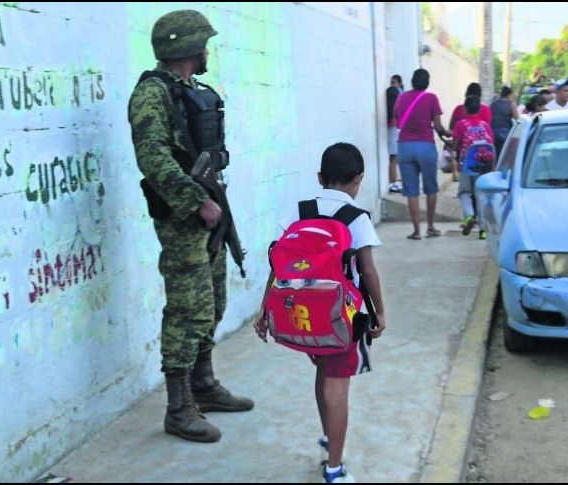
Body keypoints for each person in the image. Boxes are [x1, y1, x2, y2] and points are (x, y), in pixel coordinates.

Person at [128, 9, 253, 444]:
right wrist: (195, 199)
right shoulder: (151, 94)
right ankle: (179, 409)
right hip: (183, 218)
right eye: (203, 43)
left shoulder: (191, 90)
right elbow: (154, 157)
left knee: (213, 302)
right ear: (187, 47)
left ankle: (203, 386)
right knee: (186, 310)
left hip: (210, 211)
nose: (207, 51)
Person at [254, 143, 386, 484]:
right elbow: (368, 272)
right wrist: (380, 313)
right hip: (340, 317)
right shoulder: (356, 218)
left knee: (323, 375)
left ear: (319, 177)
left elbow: (278, 262)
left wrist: (264, 309)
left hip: (302, 313)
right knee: (337, 384)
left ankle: (330, 436)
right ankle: (334, 468)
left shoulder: (299, 211)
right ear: (358, 180)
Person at [393, 68, 452, 240]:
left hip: (404, 146)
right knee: (431, 188)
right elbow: (439, 127)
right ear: (427, 82)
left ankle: (416, 231)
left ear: (412, 81)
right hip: (426, 146)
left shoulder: (401, 97)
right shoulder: (431, 98)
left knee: (411, 191)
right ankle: (431, 227)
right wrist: (448, 135)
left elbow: (397, 122)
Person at [452, 96, 494, 240]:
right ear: (479, 110)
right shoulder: (485, 125)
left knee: (464, 192)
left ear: (464, 109)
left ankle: (469, 216)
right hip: (482, 164)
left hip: (466, 165)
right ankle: (483, 231)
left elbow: (456, 145)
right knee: (481, 195)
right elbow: (491, 146)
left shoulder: (460, 124)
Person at [448, 83, 492, 182]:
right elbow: (489, 137)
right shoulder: (486, 110)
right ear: (480, 95)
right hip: (483, 157)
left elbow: (452, 130)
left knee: (465, 190)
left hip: (464, 158)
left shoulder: (458, 110)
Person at [386, 75, 404, 193]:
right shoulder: (397, 95)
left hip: (394, 129)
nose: (392, 85)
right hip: (394, 129)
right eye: (391, 82)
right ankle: (393, 183)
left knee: (394, 157)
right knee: (394, 157)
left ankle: (394, 181)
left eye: (394, 82)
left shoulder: (395, 94)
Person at [490, 86, 519, 157]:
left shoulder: (493, 104)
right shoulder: (511, 104)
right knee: (504, 155)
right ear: (509, 94)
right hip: (505, 133)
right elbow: (517, 117)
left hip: (493, 132)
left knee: (495, 154)